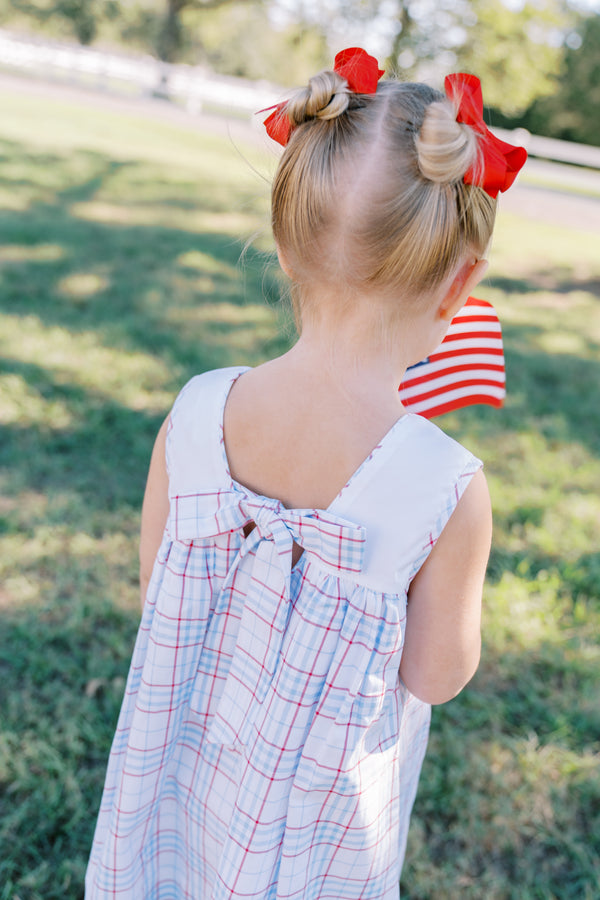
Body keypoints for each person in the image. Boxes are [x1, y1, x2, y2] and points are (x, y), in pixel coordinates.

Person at [86, 48, 526, 899]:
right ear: (459, 285)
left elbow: (159, 597)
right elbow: (437, 675)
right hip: (317, 846)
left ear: (285, 248)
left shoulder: (198, 411)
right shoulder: (444, 484)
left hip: (179, 792)